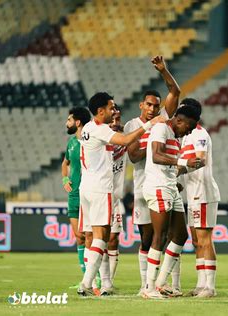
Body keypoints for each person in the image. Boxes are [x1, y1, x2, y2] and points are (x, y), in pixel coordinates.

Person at [77, 92, 164, 296]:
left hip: (86, 188)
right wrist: (149, 125)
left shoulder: (88, 128)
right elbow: (125, 140)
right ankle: (87, 284)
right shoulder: (99, 129)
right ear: (100, 111)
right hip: (100, 189)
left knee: (95, 236)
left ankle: (93, 283)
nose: (113, 110)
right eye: (111, 107)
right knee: (101, 237)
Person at [124, 55, 181, 294]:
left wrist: (164, 71)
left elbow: (175, 91)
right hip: (143, 186)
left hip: (165, 184)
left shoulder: (164, 120)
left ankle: (166, 283)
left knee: (170, 235)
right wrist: (150, 137)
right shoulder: (132, 126)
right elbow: (134, 156)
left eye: (156, 105)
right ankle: (145, 284)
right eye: (148, 104)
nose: (152, 109)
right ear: (141, 105)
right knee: (147, 237)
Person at [142, 105, 204, 299]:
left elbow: (167, 163)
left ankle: (160, 283)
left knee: (180, 235)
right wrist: (184, 162)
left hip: (169, 187)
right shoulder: (161, 128)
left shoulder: (175, 135)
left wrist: (174, 180)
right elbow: (157, 155)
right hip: (158, 187)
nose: (191, 130)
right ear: (179, 120)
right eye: (190, 126)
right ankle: (149, 287)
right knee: (159, 236)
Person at [179, 98, 221, 298]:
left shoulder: (200, 134)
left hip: (204, 192)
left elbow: (201, 160)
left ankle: (210, 287)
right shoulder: (186, 136)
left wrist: (179, 168)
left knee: (205, 240)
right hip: (192, 193)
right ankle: (200, 284)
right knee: (196, 240)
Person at [61, 106, 91, 286]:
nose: (67, 123)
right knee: (79, 237)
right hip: (74, 195)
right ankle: (85, 278)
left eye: (69, 120)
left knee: (89, 236)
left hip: (89, 193)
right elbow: (65, 163)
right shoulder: (71, 143)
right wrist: (65, 178)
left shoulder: (90, 141)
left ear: (78, 122)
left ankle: (94, 278)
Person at [108, 105, 126, 285]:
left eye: (118, 119)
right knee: (94, 237)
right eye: (112, 118)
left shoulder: (124, 138)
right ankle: (95, 279)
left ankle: (108, 282)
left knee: (113, 239)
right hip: (98, 194)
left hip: (115, 198)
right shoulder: (98, 135)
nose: (115, 122)